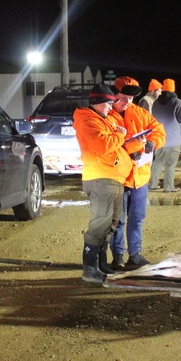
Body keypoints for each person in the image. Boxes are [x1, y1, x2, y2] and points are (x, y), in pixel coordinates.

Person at [73, 83, 133, 283]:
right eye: (108, 103)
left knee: (111, 223)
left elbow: (112, 144)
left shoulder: (102, 119)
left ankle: (101, 265)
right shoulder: (88, 121)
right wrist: (120, 134)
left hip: (113, 178)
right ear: (98, 103)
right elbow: (102, 145)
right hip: (101, 178)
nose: (111, 107)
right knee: (100, 224)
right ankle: (90, 269)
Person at [107, 77, 166, 269]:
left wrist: (153, 142)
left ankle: (135, 254)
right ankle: (118, 256)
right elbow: (106, 144)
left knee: (138, 217)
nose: (127, 102)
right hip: (118, 177)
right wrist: (131, 146)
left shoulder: (140, 113)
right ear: (113, 96)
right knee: (118, 219)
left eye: (130, 99)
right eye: (122, 98)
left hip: (140, 177)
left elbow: (158, 130)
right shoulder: (106, 117)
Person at [150, 78, 181, 192]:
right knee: (170, 163)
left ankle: (152, 184)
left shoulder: (156, 102)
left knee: (158, 161)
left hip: (160, 137)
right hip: (173, 139)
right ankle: (168, 186)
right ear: (173, 90)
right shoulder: (177, 102)